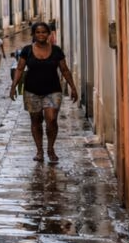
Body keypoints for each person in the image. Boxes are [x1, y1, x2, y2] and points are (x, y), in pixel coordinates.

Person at [9, 21, 78, 163]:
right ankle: (39, 150)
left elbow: (64, 70)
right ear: (33, 34)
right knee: (36, 121)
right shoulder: (27, 50)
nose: (41, 34)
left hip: (53, 90)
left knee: (51, 119)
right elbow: (20, 69)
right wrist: (13, 86)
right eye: (38, 32)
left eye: (44, 32)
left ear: (49, 34)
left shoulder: (57, 50)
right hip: (31, 91)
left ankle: (50, 149)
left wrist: (73, 87)